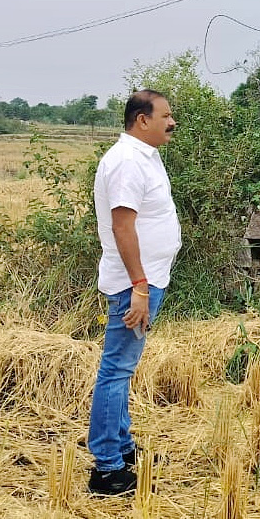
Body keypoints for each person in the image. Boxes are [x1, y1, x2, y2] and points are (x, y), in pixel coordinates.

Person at [87, 89, 180, 495]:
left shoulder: (145, 156)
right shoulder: (126, 162)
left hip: (145, 280)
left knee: (122, 370)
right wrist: (140, 286)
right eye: (166, 115)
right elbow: (123, 227)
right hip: (133, 285)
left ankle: (122, 449)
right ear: (142, 120)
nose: (172, 122)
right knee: (116, 370)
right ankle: (107, 469)